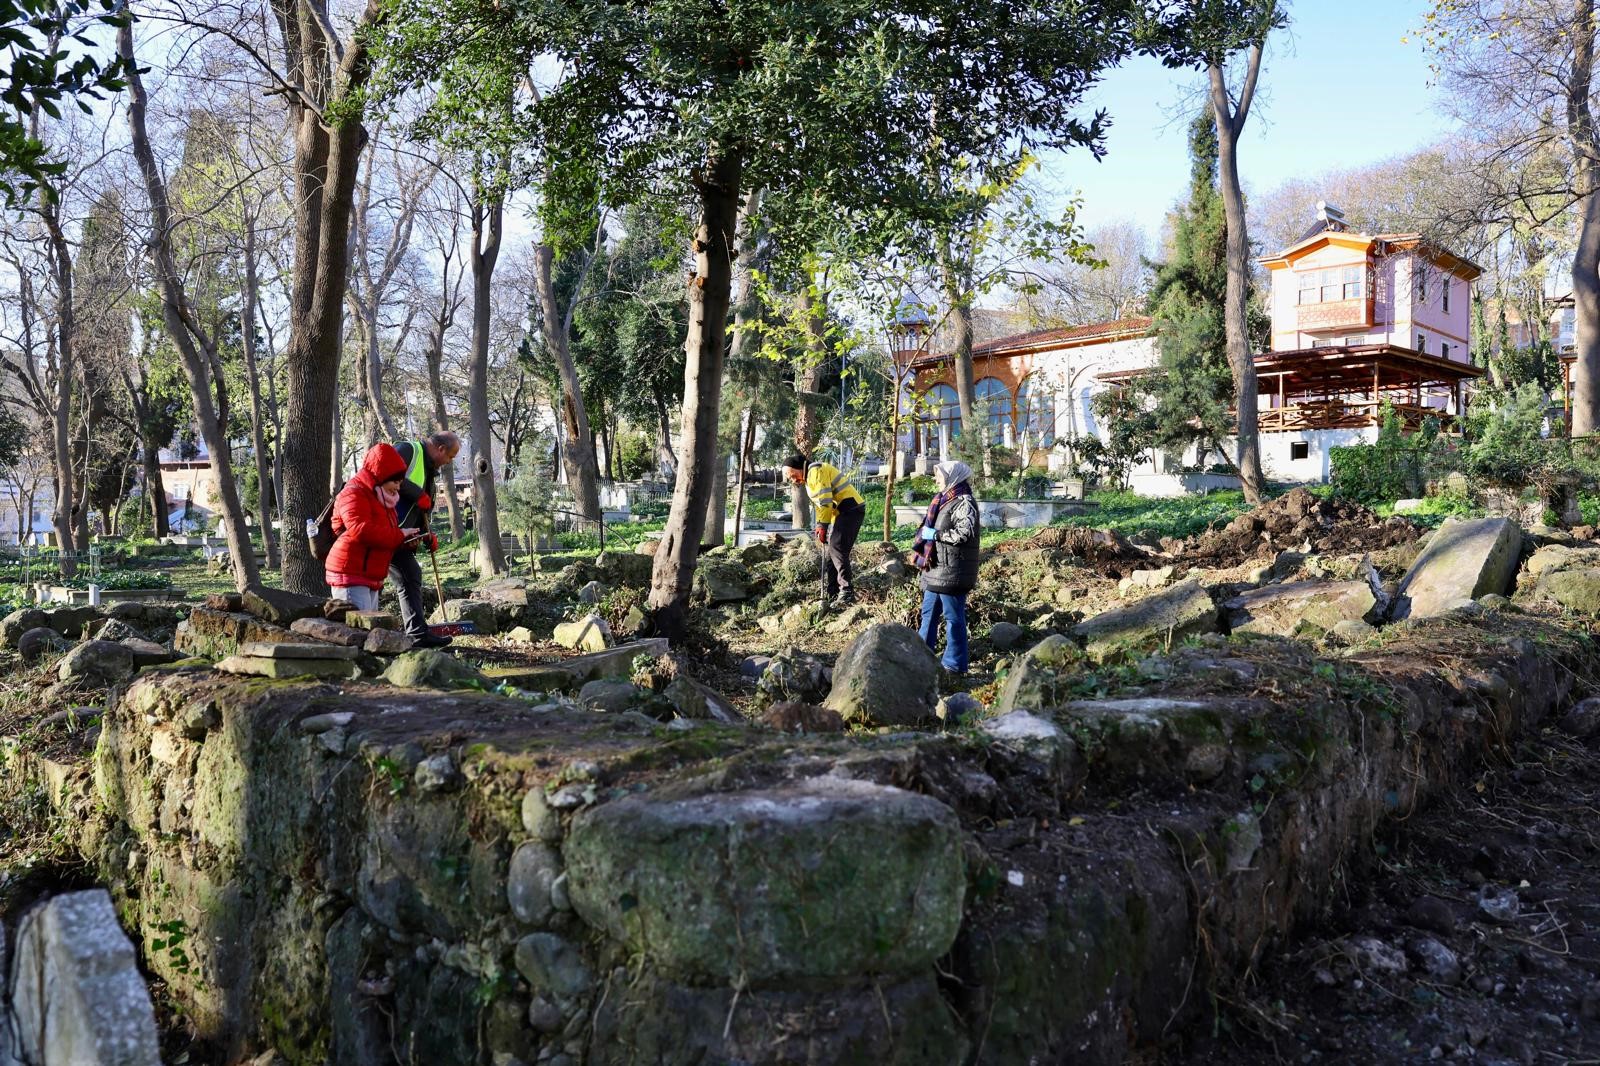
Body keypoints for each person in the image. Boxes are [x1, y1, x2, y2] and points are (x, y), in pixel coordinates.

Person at [326, 443, 419, 612]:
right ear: (382, 476)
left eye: (400, 482)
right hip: (350, 575)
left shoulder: (383, 498)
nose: (398, 487)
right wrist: (400, 534)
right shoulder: (354, 493)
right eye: (395, 482)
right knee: (358, 627)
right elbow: (361, 531)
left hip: (370, 575)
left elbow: (384, 535)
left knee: (370, 626)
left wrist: (407, 541)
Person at [389, 431, 461, 648]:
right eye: (450, 456)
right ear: (441, 449)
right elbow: (384, 473)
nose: (449, 462)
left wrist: (426, 534)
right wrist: (417, 493)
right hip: (383, 530)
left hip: (401, 537)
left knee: (410, 575)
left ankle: (418, 635)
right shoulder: (408, 450)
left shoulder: (430, 470)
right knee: (374, 582)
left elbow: (421, 508)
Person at [913, 460, 980, 675]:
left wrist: (937, 535)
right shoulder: (942, 499)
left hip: (953, 571)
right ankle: (922, 660)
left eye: (940, 477)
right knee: (928, 615)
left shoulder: (964, 502)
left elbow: (964, 533)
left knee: (953, 617)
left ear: (953, 477)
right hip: (935, 569)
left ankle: (954, 665)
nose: (936, 480)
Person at [782, 452, 865, 608]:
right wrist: (822, 526)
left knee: (837, 548)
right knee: (831, 554)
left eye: (792, 475)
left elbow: (825, 501)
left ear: (799, 468)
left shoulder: (816, 471)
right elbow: (821, 507)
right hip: (840, 514)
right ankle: (832, 593)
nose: (792, 480)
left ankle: (847, 591)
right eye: (789, 478)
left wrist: (823, 525)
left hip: (851, 509)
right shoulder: (809, 479)